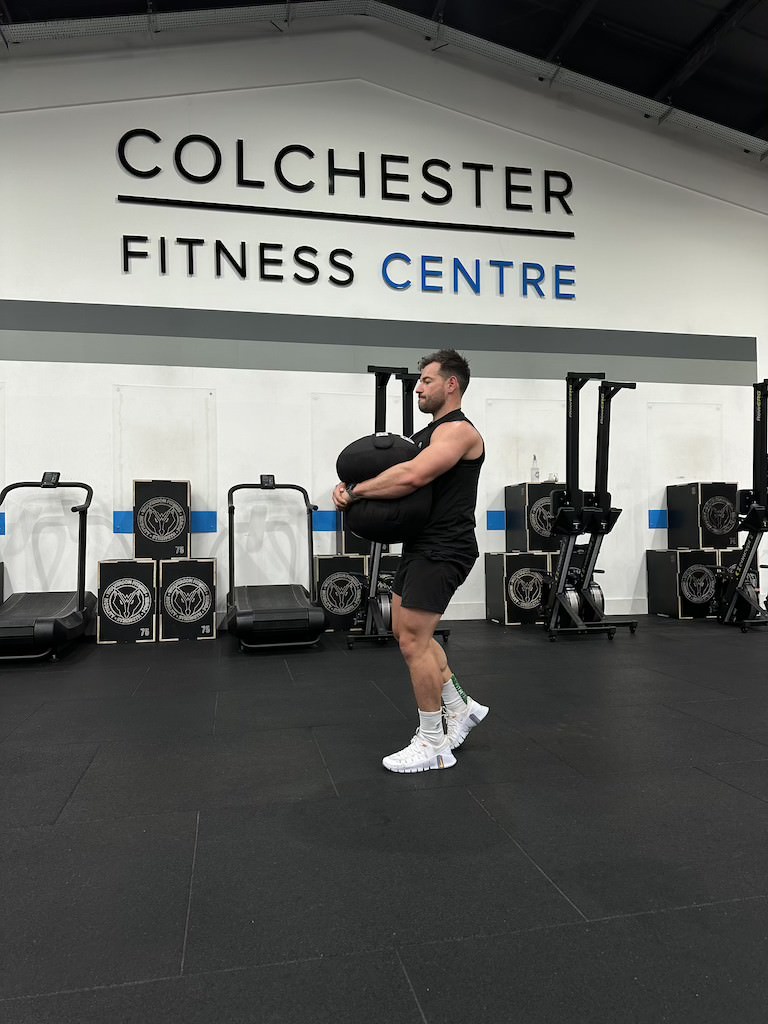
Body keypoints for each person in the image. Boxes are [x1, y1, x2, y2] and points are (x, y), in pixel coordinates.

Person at [332, 349, 489, 773]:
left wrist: (359, 490)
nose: (418, 387)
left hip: (445, 547)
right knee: (407, 631)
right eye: (419, 381)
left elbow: (413, 477)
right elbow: (394, 475)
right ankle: (461, 707)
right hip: (422, 545)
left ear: (451, 384)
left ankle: (434, 743)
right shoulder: (426, 434)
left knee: (413, 642)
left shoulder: (458, 433)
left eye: (427, 380)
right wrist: (348, 487)